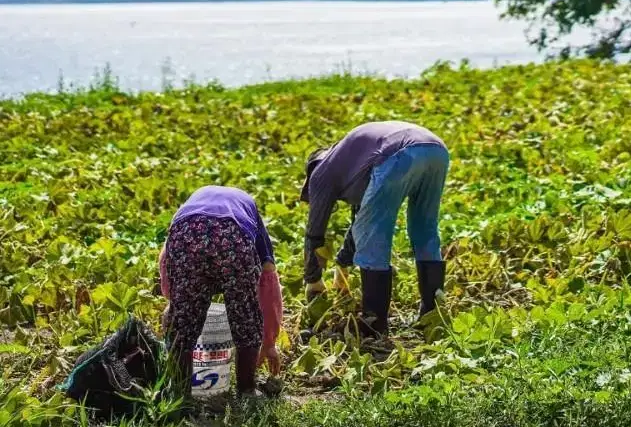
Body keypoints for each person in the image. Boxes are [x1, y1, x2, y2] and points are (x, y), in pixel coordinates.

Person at [301, 120, 449, 334]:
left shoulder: (321, 172)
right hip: (436, 149)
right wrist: (341, 267)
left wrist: (312, 281)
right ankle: (432, 313)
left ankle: (374, 321)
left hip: (398, 153)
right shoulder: (353, 161)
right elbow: (357, 222)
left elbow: (315, 233)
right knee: (424, 227)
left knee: (374, 233)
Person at [158, 185, 283, 397]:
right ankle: (246, 390)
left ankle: (179, 394)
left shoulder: (190, 205)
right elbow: (268, 277)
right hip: (233, 237)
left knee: (183, 326)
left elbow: (166, 260)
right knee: (245, 317)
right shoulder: (248, 207)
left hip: (186, 234)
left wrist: (175, 303)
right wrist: (269, 342)